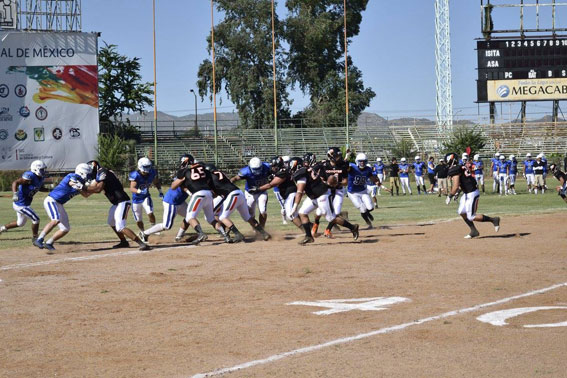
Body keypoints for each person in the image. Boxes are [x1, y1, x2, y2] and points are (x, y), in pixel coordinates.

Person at [290, 157, 359, 245]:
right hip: (314, 196)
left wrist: (294, 207)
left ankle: (353, 227)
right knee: (302, 212)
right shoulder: (305, 171)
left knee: (331, 218)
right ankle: (308, 236)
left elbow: (299, 192)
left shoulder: (301, 174)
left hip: (322, 195)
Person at [85, 161, 150, 250]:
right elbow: (88, 192)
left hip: (122, 201)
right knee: (111, 222)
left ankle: (142, 244)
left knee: (120, 226)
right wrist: (79, 189)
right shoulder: (101, 174)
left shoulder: (102, 171)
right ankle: (124, 241)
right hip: (117, 203)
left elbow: (98, 189)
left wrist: (82, 187)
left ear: (95, 166)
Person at [172, 154, 230, 244]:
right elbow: (208, 181)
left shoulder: (184, 171)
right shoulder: (203, 168)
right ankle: (225, 235)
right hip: (208, 194)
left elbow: (173, 186)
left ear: (185, 161)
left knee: (190, 217)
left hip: (198, 194)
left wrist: (182, 180)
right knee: (211, 218)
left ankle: (200, 233)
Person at [33, 163, 92, 251]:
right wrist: (83, 186)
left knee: (65, 228)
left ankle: (49, 242)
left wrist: (96, 189)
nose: (89, 176)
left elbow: (86, 195)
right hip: (52, 200)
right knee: (55, 220)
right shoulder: (72, 176)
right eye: (88, 174)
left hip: (59, 203)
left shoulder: (81, 182)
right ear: (83, 172)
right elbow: (72, 182)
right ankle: (39, 239)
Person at [207, 163, 270, 242]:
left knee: (222, 217)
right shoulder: (220, 173)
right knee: (247, 217)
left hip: (232, 195)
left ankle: (237, 234)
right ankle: (264, 233)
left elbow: (213, 192)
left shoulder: (211, 177)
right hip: (239, 192)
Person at [445, 152, 500, 239]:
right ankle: (474, 231)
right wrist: (458, 193)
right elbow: (462, 182)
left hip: (472, 193)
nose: (447, 163)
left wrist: (450, 195)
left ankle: (493, 220)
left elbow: (455, 186)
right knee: (461, 212)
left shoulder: (455, 169)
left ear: (452, 160)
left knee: (471, 216)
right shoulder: (459, 167)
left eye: (448, 161)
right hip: (467, 192)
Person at [138, 154, 191, 243]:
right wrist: (190, 192)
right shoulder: (183, 173)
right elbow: (176, 185)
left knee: (191, 217)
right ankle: (144, 233)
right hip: (172, 202)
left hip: (180, 201)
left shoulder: (188, 172)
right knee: (167, 226)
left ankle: (179, 236)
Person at [0, 160, 48, 243]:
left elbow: (39, 187)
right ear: (36, 169)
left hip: (25, 203)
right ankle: (35, 238)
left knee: (20, 223)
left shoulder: (40, 178)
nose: (43, 171)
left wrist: (50, 189)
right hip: (20, 204)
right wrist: (15, 194)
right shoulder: (30, 176)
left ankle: (1, 228)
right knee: (36, 219)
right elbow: (16, 182)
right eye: (42, 169)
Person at [312, 147, 349, 238]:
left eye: (339, 156)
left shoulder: (343, 165)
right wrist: (325, 183)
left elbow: (346, 181)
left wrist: (337, 183)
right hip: (326, 190)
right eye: (337, 156)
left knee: (336, 212)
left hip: (338, 190)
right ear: (330, 156)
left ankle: (328, 230)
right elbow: (316, 174)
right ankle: (316, 224)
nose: (339, 158)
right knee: (319, 212)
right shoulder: (324, 165)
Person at [231, 157, 271, 228]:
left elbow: (275, 172)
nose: (257, 171)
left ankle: (262, 228)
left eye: (258, 169)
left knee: (263, 211)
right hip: (250, 193)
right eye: (255, 169)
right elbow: (236, 178)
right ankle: (255, 228)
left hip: (262, 191)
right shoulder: (245, 171)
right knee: (250, 214)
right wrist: (231, 181)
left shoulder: (267, 166)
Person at [129, 157, 163, 233]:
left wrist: (160, 191)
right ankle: (143, 232)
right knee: (138, 219)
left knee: (150, 213)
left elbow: (156, 182)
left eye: (148, 166)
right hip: (136, 199)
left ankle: (154, 229)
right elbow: (132, 188)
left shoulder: (152, 172)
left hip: (146, 197)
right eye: (145, 167)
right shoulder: (135, 175)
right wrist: (140, 191)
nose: (147, 169)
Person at [347, 153, 380, 228]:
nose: (362, 162)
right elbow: (346, 167)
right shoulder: (352, 167)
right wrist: (347, 156)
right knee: (362, 209)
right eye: (360, 161)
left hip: (363, 191)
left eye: (364, 161)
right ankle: (368, 223)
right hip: (353, 192)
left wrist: (376, 181)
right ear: (357, 161)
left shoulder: (368, 169)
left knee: (370, 207)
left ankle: (367, 213)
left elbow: (371, 177)